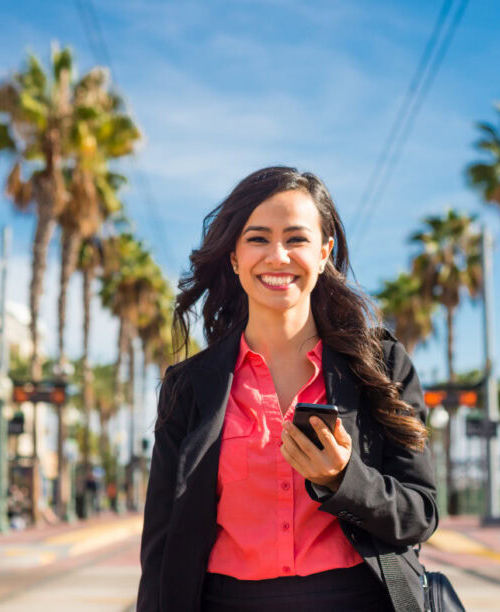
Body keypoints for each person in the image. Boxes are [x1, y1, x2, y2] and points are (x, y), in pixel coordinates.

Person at [136, 167, 438, 611]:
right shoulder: (189, 386)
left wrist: (343, 480)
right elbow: (161, 546)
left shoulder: (382, 367)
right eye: (258, 238)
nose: (277, 256)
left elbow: (420, 514)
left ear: (324, 253)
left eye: (296, 239)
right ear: (235, 257)